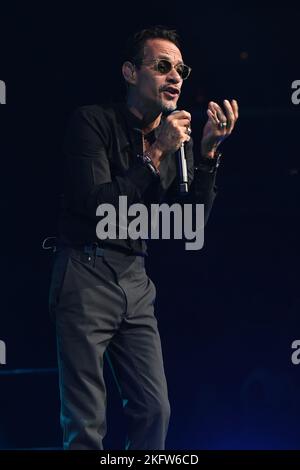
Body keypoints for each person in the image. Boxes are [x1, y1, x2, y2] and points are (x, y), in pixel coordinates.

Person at [48, 25, 238, 450]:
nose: (176, 77)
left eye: (181, 69)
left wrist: (205, 155)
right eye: (163, 66)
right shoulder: (92, 122)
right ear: (131, 73)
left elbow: (190, 226)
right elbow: (99, 208)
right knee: (86, 419)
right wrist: (156, 152)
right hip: (86, 268)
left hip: (135, 278)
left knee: (155, 409)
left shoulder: (179, 141)